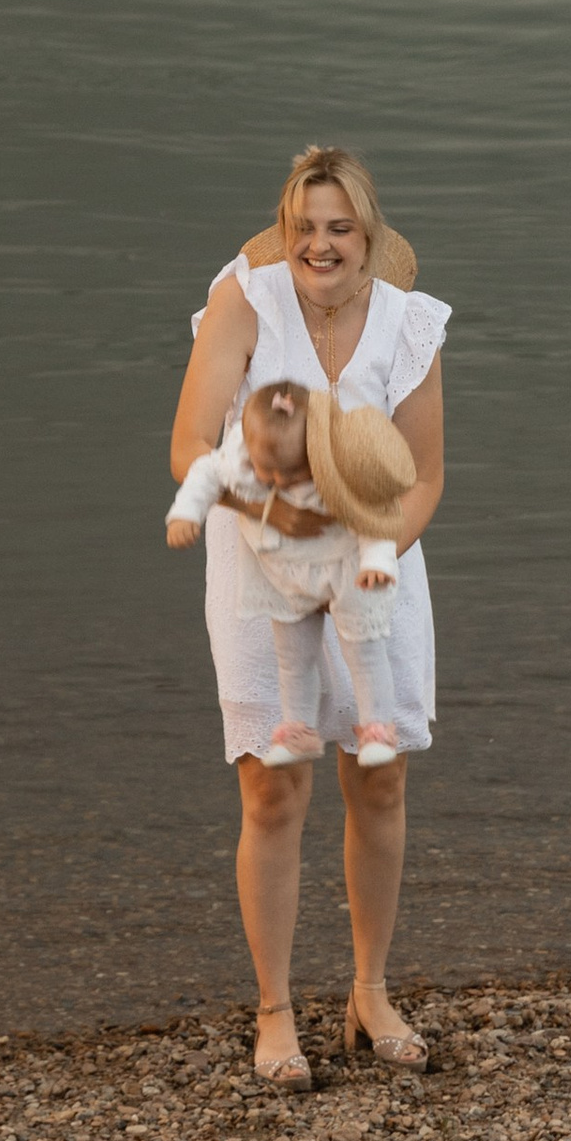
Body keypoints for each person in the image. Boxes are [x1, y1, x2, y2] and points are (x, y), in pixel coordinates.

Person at [170, 143, 448, 1092]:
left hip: (376, 567)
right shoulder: (245, 301)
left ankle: (370, 993)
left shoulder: (408, 322)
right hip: (260, 567)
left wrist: (373, 556)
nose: (320, 245)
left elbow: (425, 476)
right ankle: (275, 1009)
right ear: (285, 232)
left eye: (340, 228)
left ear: (369, 238)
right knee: (274, 788)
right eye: (305, 227)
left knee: (379, 778)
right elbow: (190, 445)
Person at [168, 376, 418, 769]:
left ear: (312, 449)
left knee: (364, 649)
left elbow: (376, 511)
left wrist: (378, 562)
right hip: (284, 572)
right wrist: (185, 514)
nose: (280, 482)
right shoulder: (239, 456)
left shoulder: (339, 459)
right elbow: (204, 473)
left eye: (292, 472)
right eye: (268, 473)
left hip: (345, 567)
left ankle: (377, 728)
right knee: (293, 658)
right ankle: (299, 730)